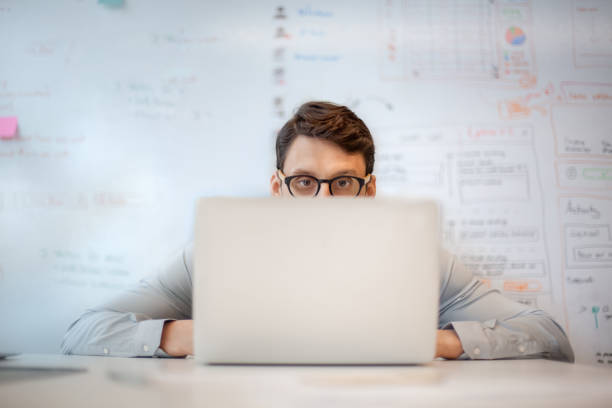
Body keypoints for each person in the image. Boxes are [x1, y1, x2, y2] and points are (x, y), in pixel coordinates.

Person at [61, 101, 574, 361]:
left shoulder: (418, 259)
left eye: (343, 183)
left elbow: (549, 338)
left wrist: (428, 341)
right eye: (305, 181)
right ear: (278, 185)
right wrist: (197, 335)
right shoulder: (216, 254)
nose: (323, 201)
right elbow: (83, 331)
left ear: (368, 189)